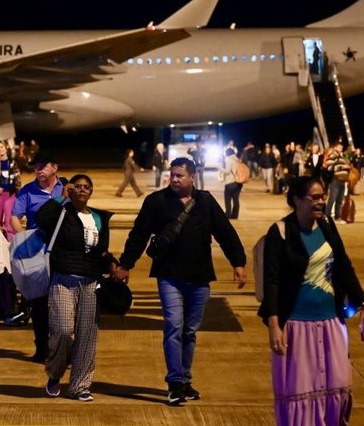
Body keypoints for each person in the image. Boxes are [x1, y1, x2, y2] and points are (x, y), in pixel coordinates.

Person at [116, 157, 247, 406]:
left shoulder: (205, 202)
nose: (174, 179)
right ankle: (174, 384)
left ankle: (185, 380)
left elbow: (225, 232)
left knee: (189, 331)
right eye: (172, 175)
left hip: (199, 278)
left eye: (180, 175)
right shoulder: (156, 201)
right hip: (169, 276)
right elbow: (139, 234)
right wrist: (125, 264)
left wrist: (238, 262)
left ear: (192, 176)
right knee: (174, 326)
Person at [259, 176, 364, 425]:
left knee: (339, 384)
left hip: (332, 322)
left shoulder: (328, 225)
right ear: (297, 200)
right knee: (300, 391)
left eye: (323, 196)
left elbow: (344, 266)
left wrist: (363, 303)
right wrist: (274, 324)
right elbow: (272, 281)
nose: (321, 202)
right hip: (296, 326)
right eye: (315, 197)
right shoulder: (280, 231)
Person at [35, 174, 126, 402]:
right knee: (63, 331)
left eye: (87, 187)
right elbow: (40, 218)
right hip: (63, 279)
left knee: (86, 337)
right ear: (71, 189)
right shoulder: (62, 213)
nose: (82, 190)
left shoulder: (98, 218)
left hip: (90, 283)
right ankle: (55, 373)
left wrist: (113, 264)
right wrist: (59, 198)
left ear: (91, 191)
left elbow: (101, 251)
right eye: (78, 186)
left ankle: (80, 386)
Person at [11, 150, 66, 362]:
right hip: (38, 252)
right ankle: (42, 347)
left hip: (62, 251)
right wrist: (24, 238)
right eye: (36, 166)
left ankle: (62, 348)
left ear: (55, 167)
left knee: (63, 301)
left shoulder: (66, 188)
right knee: (39, 301)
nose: (38, 170)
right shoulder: (27, 191)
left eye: (43, 166)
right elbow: (15, 217)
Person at [324, 141, 351, 222]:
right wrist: (341, 167)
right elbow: (329, 167)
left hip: (343, 180)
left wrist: (346, 167)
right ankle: (327, 216)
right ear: (335, 148)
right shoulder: (332, 156)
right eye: (339, 147)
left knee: (339, 199)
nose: (341, 149)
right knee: (332, 199)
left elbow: (347, 165)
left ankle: (337, 216)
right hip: (335, 180)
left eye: (341, 148)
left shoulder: (343, 157)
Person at [221, 147, 242, 219]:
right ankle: (235, 215)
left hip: (230, 182)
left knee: (227, 199)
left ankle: (228, 214)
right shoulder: (238, 160)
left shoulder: (229, 160)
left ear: (227, 153)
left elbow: (227, 171)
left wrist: (219, 168)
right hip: (239, 182)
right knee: (236, 199)